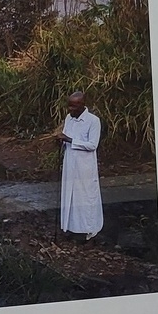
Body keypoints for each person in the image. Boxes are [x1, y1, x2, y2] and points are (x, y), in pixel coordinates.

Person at [59, 90, 103, 239]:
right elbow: (64, 136)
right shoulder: (69, 118)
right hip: (69, 163)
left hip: (84, 166)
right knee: (70, 195)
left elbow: (92, 145)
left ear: (82, 105)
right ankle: (71, 228)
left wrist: (70, 140)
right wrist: (60, 140)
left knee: (86, 197)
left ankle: (90, 231)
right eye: (69, 106)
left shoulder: (93, 121)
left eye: (74, 107)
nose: (70, 110)